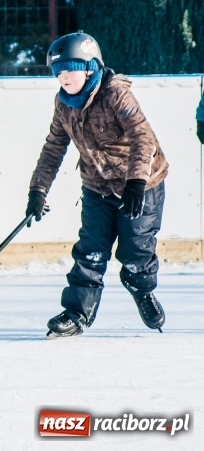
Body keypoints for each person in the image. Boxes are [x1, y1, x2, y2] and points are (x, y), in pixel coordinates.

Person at [26, 31, 169, 338]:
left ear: (90, 66)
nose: (63, 76)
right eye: (57, 71)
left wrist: (135, 181)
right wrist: (38, 190)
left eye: (70, 68)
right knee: (91, 251)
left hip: (142, 183)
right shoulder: (63, 104)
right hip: (97, 186)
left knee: (136, 251)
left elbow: (142, 137)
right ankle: (77, 313)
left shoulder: (115, 93)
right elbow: (54, 148)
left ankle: (141, 288)